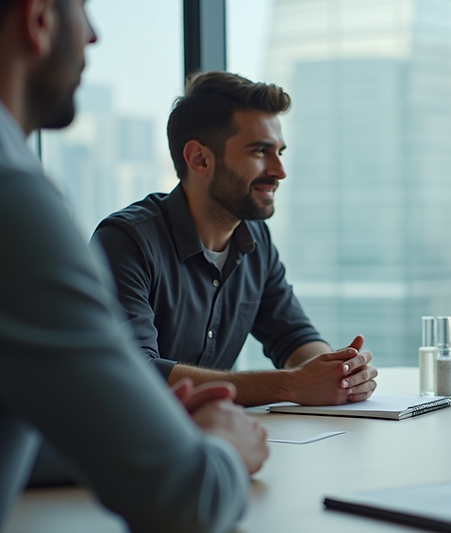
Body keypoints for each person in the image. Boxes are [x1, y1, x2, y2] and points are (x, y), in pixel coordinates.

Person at [0, 1, 268, 533]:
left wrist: (137, 424)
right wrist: (223, 445)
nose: (93, 35)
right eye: (83, 10)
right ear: (38, 19)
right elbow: (184, 503)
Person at [90, 71, 378, 407]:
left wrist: (339, 372)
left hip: (216, 439)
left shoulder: (255, 240)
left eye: (280, 152)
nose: (279, 170)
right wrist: (290, 386)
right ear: (200, 159)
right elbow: (136, 373)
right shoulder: (126, 242)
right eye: (260, 151)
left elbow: (294, 337)